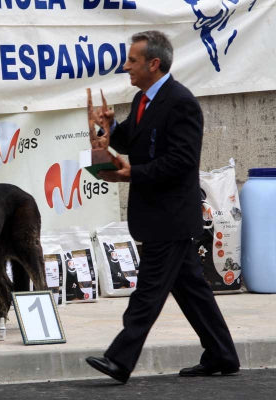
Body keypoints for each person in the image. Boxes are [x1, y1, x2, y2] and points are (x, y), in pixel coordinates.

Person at [85, 31, 239, 383]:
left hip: (171, 216)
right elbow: (133, 142)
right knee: (193, 291)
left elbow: (183, 161)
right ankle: (223, 354)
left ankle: (120, 360)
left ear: (154, 63)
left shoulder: (181, 102)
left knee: (148, 291)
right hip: (155, 214)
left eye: (132, 61)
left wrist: (132, 174)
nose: (126, 67)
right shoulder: (143, 100)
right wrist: (110, 128)